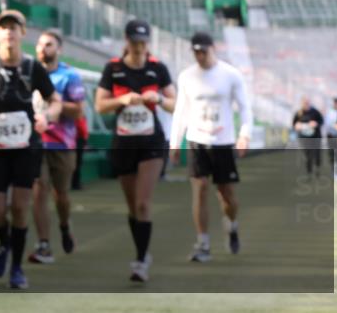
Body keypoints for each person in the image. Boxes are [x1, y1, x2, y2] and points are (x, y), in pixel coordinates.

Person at [0, 10, 62, 291]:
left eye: (14, 27)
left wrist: (48, 117)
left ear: (23, 33)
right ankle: (3, 244)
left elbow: (54, 99)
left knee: (20, 208)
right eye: (3, 28)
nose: (8, 32)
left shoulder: (33, 68)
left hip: (26, 148)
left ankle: (17, 268)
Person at [94, 19, 176, 283]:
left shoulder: (158, 69)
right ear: (126, 41)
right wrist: (122, 100)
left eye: (143, 42)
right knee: (132, 207)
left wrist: (160, 99)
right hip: (123, 143)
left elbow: (176, 104)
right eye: (135, 41)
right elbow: (99, 105)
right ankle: (141, 249)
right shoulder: (113, 69)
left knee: (143, 203)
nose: (139, 47)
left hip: (151, 143)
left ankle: (141, 260)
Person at [169, 32, 253, 263]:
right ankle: (203, 243)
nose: (200, 56)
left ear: (212, 49)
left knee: (226, 195)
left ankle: (232, 225)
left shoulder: (230, 75)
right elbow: (181, 111)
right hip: (197, 140)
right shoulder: (187, 77)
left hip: (223, 141)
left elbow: (245, 107)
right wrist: (175, 143)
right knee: (201, 188)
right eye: (195, 52)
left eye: (203, 51)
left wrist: (244, 134)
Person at [28, 29, 84, 264]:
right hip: (35, 142)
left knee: (61, 195)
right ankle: (43, 245)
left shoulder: (69, 76)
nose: (43, 48)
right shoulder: (27, 72)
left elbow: (79, 110)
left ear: (58, 49)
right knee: (39, 191)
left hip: (62, 143)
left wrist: (56, 107)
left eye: (49, 44)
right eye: (40, 44)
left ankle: (64, 224)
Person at [293, 97, 325, 177]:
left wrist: (316, 124)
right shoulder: (298, 113)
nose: (306, 104)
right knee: (307, 156)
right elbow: (294, 124)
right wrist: (297, 126)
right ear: (302, 103)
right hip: (304, 138)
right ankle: (309, 173)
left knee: (317, 155)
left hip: (316, 137)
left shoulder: (315, 112)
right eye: (304, 102)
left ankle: (318, 170)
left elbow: (321, 121)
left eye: (307, 102)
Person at [326, 96, 337, 181]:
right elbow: (329, 125)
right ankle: (333, 171)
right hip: (331, 135)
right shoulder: (330, 112)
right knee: (332, 154)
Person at [71, 114, 89, 191]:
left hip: (76, 140)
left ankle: (75, 183)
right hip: (77, 140)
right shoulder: (78, 115)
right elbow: (82, 129)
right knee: (77, 163)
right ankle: (75, 184)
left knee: (76, 163)